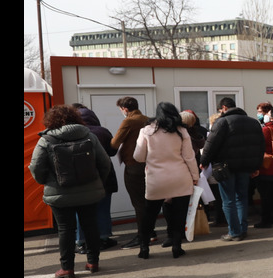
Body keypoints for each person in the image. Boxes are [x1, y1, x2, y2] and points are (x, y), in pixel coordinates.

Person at [29, 105, 112, 278]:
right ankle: (93, 262)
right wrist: (97, 182)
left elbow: (36, 167)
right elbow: (105, 163)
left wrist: (46, 181)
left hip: (59, 192)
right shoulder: (89, 136)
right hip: (89, 191)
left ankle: (67, 269)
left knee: (65, 230)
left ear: (50, 120)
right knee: (90, 225)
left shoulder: (46, 139)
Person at [132, 102, 200, 259]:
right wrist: (195, 177)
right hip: (180, 177)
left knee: (149, 214)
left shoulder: (146, 131)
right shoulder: (181, 131)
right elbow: (189, 157)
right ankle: (176, 247)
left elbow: (138, 156)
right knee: (179, 214)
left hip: (156, 179)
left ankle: (144, 248)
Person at [200, 97, 265, 241]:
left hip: (225, 167)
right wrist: (256, 166)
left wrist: (203, 161)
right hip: (245, 167)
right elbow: (261, 146)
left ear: (223, 108)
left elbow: (211, 144)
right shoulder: (253, 122)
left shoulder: (222, 122)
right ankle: (242, 229)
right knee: (241, 198)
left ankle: (234, 232)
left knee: (228, 200)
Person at [111, 96, 156, 248]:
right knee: (148, 199)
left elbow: (114, 142)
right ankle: (151, 232)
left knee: (138, 202)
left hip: (133, 165)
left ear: (125, 109)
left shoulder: (129, 121)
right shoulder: (148, 119)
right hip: (148, 164)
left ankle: (143, 236)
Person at [74, 106, 118, 252]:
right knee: (103, 209)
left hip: (80, 178)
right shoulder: (103, 131)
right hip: (104, 177)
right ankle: (104, 238)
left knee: (81, 211)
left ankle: (81, 241)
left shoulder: (73, 133)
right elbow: (112, 151)